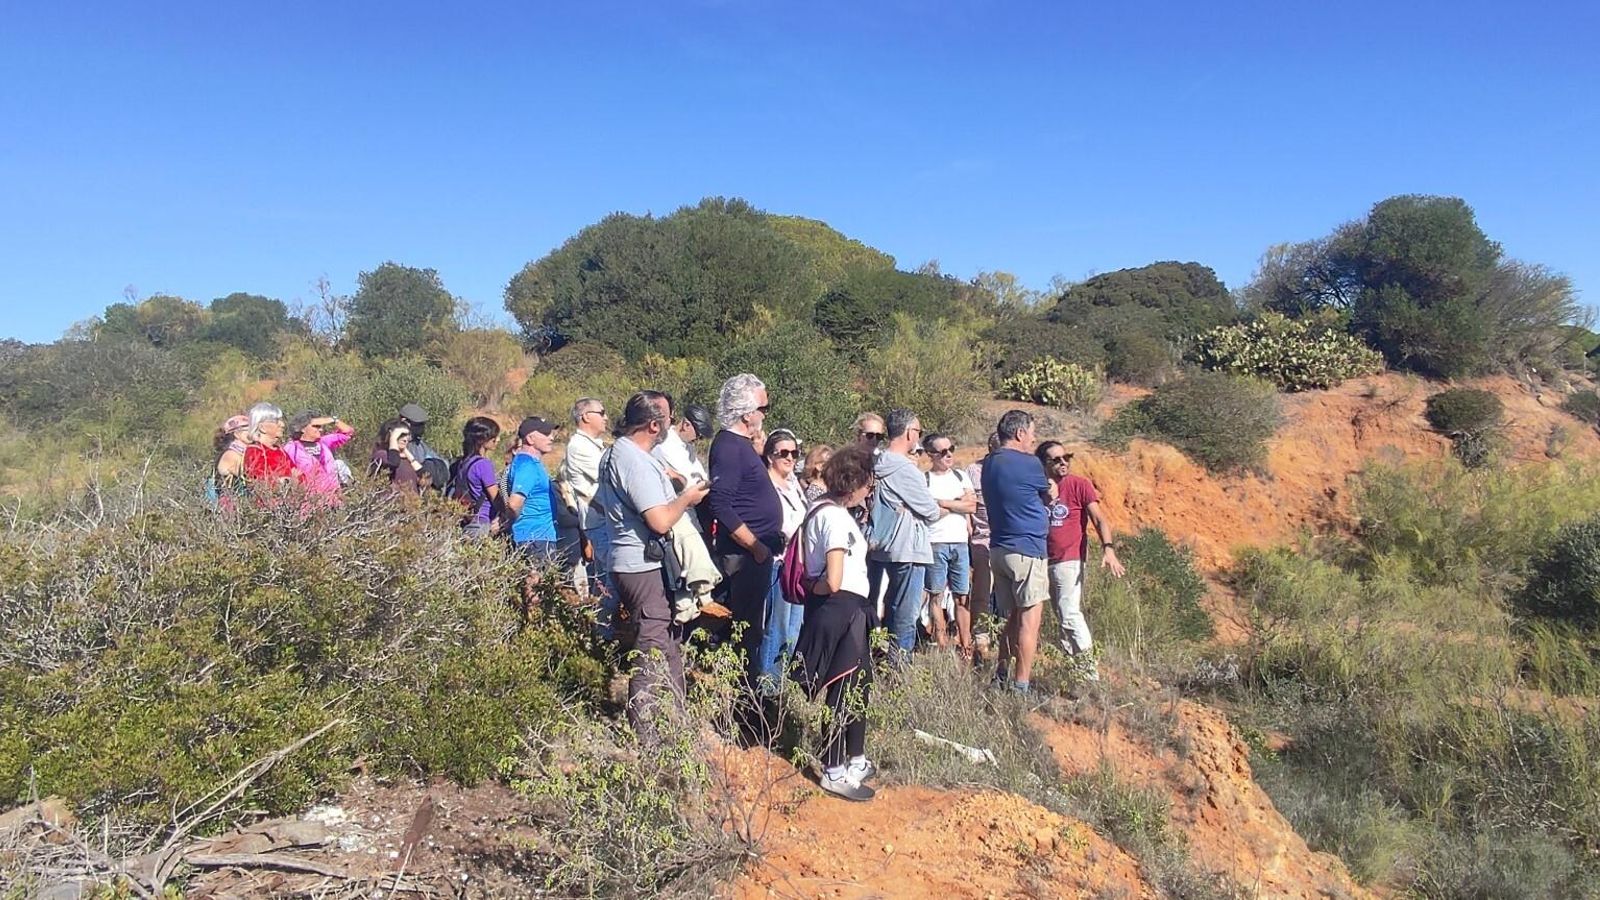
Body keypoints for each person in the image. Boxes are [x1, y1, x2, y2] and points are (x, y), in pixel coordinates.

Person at [598, 391, 711, 736]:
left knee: (667, 637)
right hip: (639, 564)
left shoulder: (622, 453)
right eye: (666, 420)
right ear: (652, 424)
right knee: (651, 642)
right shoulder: (633, 459)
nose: (670, 426)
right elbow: (660, 520)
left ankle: (675, 721)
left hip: (636, 560)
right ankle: (647, 734)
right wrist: (686, 499)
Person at [792, 442, 879, 802]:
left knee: (858, 684)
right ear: (852, 482)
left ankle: (852, 760)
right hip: (839, 608)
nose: (870, 489)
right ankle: (833, 768)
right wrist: (816, 586)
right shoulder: (832, 516)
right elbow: (834, 577)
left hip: (849, 608)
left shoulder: (835, 514)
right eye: (867, 483)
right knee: (843, 689)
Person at [707, 373, 781, 682]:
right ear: (747, 412)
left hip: (754, 554)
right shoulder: (729, 447)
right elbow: (720, 505)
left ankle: (746, 694)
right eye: (764, 407)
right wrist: (756, 547)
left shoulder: (739, 445)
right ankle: (741, 700)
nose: (766, 414)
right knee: (745, 630)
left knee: (751, 628)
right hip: (744, 556)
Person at [1036, 441, 1126, 677]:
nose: (1063, 462)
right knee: (1059, 614)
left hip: (1070, 557)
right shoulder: (1036, 488)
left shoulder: (1079, 485)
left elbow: (1099, 519)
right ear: (1043, 463)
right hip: (1043, 559)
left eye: (1066, 457)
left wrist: (1108, 548)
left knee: (1069, 613)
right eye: (1056, 459)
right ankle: (1072, 667)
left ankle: (1089, 672)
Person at [982, 410, 1052, 693]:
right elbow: (1047, 493)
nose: (1034, 439)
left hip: (999, 548)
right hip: (1027, 549)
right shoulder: (1029, 463)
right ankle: (1021, 685)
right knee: (1029, 621)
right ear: (1020, 433)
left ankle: (1000, 673)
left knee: (1012, 617)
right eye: (1032, 433)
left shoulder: (990, 462)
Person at [867, 409, 943, 658]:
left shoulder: (877, 462)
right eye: (918, 432)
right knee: (905, 614)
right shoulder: (905, 469)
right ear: (910, 433)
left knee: (888, 606)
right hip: (908, 547)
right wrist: (947, 505)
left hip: (882, 545)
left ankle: (880, 660)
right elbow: (931, 511)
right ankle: (899, 667)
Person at [755, 429, 807, 693]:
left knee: (793, 630)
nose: (790, 458)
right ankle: (766, 691)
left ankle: (780, 684)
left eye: (794, 453)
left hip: (797, 565)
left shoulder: (795, 484)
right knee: (776, 629)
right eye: (783, 453)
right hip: (777, 564)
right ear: (770, 455)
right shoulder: (765, 484)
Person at [922, 432, 976, 651]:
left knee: (962, 595)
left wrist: (943, 503)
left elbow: (972, 506)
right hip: (935, 542)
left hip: (960, 543)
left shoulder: (961, 476)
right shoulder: (924, 479)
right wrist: (957, 503)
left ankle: (966, 644)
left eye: (951, 448)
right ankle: (942, 641)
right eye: (943, 451)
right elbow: (929, 511)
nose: (949, 454)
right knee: (936, 594)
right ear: (931, 455)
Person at [563, 398, 612, 609]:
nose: (606, 417)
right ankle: (602, 633)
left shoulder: (592, 445)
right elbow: (610, 477)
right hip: (598, 519)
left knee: (604, 579)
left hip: (603, 519)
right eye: (601, 412)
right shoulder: (579, 446)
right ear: (585, 416)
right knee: (607, 581)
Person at [505, 417, 563, 560]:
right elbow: (514, 504)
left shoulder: (530, 463)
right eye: (545, 433)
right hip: (535, 539)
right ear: (530, 438)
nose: (551, 437)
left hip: (538, 537)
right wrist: (516, 524)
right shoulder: (527, 465)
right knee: (537, 581)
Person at [965, 432, 1001, 662]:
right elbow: (968, 505)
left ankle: (1004, 633)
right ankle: (980, 637)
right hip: (982, 538)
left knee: (1008, 592)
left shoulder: (1013, 470)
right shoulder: (974, 471)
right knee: (982, 590)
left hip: (1007, 537)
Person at [284, 410, 354, 499]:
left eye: (321, 426)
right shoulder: (292, 448)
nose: (320, 429)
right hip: (309, 502)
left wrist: (333, 420)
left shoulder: (324, 442)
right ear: (302, 428)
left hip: (334, 499)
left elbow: (348, 432)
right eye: (316, 426)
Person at [455, 416, 503, 538]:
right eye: (493, 437)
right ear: (482, 440)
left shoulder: (464, 462)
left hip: (467, 520)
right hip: (481, 522)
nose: (498, 440)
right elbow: (496, 498)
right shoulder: (483, 464)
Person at [656, 403, 713, 485]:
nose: (698, 440)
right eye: (698, 435)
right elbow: (686, 480)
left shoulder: (688, 447)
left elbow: (701, 473)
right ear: (686, 425)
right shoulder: (667, 443)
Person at [398, 403, 449, 489]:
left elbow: (443, 463)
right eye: (418, 425)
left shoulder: (419, 444)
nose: (422, 429)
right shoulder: (397, 444)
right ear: (405, 422)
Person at [242, 403, 294, 485]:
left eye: (281, 420)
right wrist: (286, 482)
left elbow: (301, 477)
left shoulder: (280, 451)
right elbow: (261, 483)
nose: (282, 425)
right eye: (276, 421)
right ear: (262, 427)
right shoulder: (254, 452)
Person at [369, 417, 425, 491]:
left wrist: (407, 453)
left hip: (409, 501)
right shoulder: (382, 455)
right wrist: (393, 439)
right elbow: (393, 463)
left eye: (407, 435)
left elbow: (425, 477)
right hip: (391, 501)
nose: (405, 439)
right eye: (401, 435)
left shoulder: (406, 459)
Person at [212, 414, 252, 499]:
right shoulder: (231, 455)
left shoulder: (241, 452)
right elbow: (249, 476)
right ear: (237, 434)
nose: (252, 433)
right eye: (248, 430)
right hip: (229, 505)